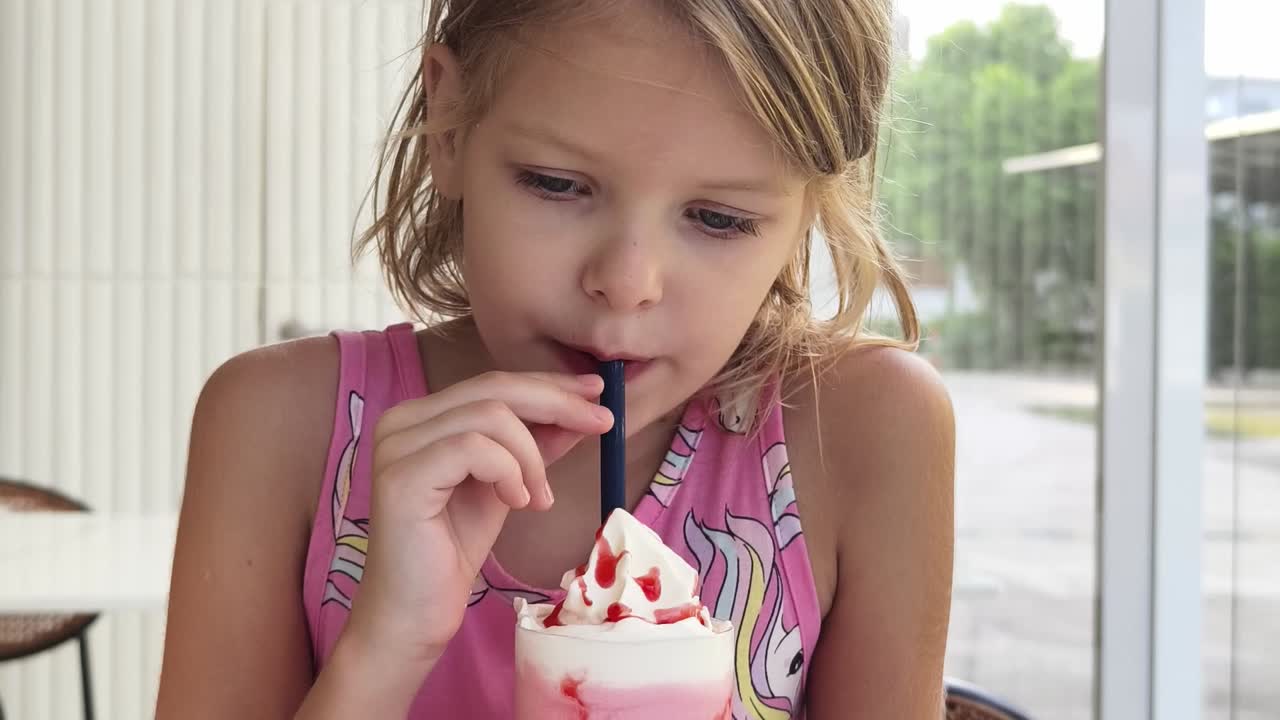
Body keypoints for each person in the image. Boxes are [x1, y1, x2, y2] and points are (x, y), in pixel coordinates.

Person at [155, 0, 955, 717]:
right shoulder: (278, 425)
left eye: (718, 219)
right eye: (557, 184)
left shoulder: (860, 432)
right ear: (450, 121)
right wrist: (384, 650)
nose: (624, 283)